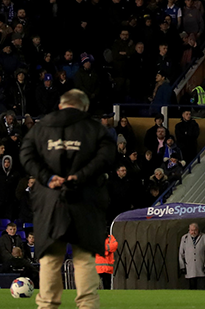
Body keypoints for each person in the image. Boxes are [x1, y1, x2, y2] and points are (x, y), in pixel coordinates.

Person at [19, 89, 115, 309]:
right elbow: (107, 156)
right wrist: (79, 177)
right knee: (84, 261)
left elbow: (25, 155)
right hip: (85, 201)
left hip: (50, 203)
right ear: (83, 107)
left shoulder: (41, 128)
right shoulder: (95, 129)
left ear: (61, 106)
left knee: (50, 260)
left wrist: (48, 177)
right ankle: (88, 305)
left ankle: (47, 306)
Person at [179, 223, 205, 289]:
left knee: (202, 286)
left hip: (201, 266)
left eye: (195, 230)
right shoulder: (184, 238)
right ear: (189, 230)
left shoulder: (204, 237)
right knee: (192, 286)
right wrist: (182, 266)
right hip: (190, 267)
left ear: (198, 230)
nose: (193, 232)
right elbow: (181, 253)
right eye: (191, 230)